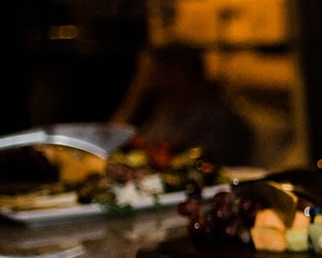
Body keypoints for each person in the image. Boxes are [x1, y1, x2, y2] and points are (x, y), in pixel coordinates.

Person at [109, 43, 256, 167]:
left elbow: (207, 167)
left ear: (180, 73)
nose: (148, 79)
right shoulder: (168, 110)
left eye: (152, 73)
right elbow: (117, 142)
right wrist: (135, 97)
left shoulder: (220, 119)